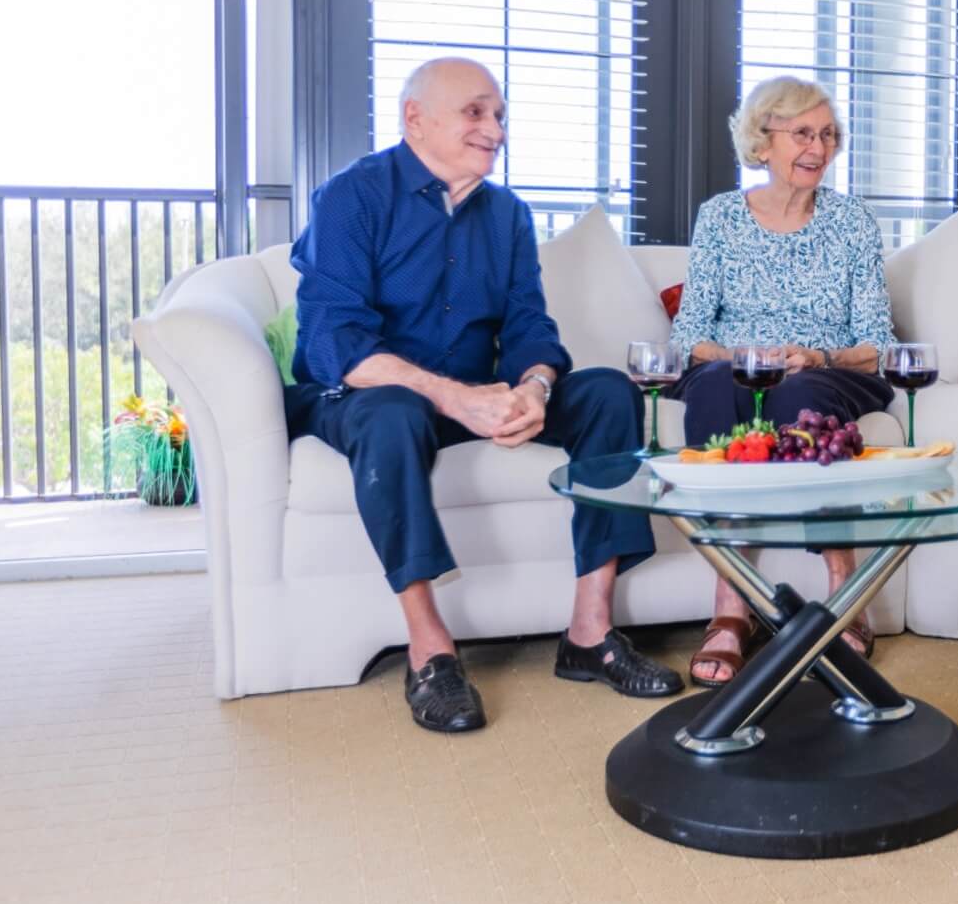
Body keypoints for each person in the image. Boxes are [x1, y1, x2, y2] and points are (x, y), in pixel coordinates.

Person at [283, 57, 681, 735]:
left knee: (609, 393)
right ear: (416, 119)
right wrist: (457, 399)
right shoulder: (352, 197)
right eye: (475, 112)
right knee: (390, 414)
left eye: (499, 116)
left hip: (472, 396)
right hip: (365, 393)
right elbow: (337, 341)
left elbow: (529, 324)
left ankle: (589, 630)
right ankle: (430, 650)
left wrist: (533, 385)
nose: (494, 129)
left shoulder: (507, 215)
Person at [670, 75, 896, 685]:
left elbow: (877, 342)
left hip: (824, 372)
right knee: (717, 386)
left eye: (826, 135)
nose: (817, 148)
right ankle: (730, 606)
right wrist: (744, 356)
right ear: (761, 141)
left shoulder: (852, 221)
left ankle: (844, 590)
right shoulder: (719, 217)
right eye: (802, 133)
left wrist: (816, 356)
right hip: (735, 366)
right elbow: (688, 333)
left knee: (800, 398)